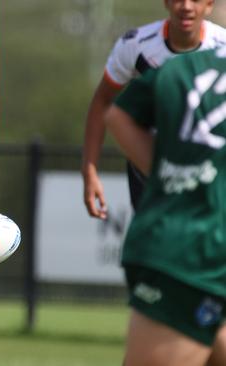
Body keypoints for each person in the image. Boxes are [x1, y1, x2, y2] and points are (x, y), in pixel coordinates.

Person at [105, 46, 226, 366]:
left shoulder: (184, 67)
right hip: (198, 252)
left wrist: (166, 182)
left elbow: (119, 115)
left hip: (177, 240)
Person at [81, 0, 226, 219]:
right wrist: (89, 170)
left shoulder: (222, 48)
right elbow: (104, 102)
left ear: (209, 5)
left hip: (210, 172)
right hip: (150, 171)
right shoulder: (136, 44)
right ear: (166, 2)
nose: (186, 6)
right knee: (158, 245)